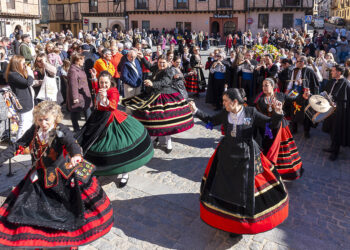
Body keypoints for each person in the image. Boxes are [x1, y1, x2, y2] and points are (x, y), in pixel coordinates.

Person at [0, 101, 113, 248]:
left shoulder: (59, 130)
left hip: (60, 177)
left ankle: (63, 242)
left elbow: (71, 142)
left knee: (62, 213)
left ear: (55, 117)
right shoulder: (35, 130)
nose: (43, 123)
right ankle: (40, 239)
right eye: (40, 119)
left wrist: (76, 155)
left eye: (47, 119)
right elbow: (18, 145)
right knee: (33, 210)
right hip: (38, 175)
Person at [188, 88, 288, 237]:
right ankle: (228, 221)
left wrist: (278, 113)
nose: (223, 104)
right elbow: (210, 120)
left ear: (235, 102)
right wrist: (195, 111)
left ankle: (241, 224)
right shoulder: (225, 113)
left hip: (246, 155)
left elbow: (270, 124)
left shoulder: (251, 113)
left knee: (243, 189)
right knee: (226, 187)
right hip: (226, 154)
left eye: (225, 101)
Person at [77, 70, 154, 187]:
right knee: (92, 142)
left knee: (119, 146)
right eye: (101, 82)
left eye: (105, 83)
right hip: (98, 118)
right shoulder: (100, 88)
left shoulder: (113, 91)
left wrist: (104, 98)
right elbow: (95, 89)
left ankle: (124, 173)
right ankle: (98, 167)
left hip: (111, 119)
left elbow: (113, 106)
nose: (103, 85)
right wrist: (93, 78)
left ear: (110, 82)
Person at [123, 54, 194, 153]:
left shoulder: (169, 71)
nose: (161, 64)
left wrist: (152, 84)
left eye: (163, 63)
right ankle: (153, 137)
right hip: (154, 95)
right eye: (160, 62)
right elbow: (150, 66)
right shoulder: (157, 67)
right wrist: (142, 57)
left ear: (168, 63)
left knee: (165, 121)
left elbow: (164, 82)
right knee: (153, 119)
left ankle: (168, 142)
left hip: (165, 97)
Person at [255, 78, 304, 180]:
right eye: (263, 85)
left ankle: (284, 173)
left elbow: (294, 97)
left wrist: (300, 90)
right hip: (267, 128)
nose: (264, 88)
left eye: (266, 85)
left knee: (282, 150)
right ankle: (268, 170)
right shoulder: (259, 100)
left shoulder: (281, 95)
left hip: (280, 128)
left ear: (273, 86)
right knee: (268, 149)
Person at [286, 56, 319, 138]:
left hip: (305, 93)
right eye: (296, 61)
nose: (296, 63)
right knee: (294, 109)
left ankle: (306, 131)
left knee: (305, 112)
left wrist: (304, 83)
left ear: (303, 62)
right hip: (295, 92)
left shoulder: (309, 71)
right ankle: (294, 128)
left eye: (297, 61)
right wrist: (288, 90)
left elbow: (315, 83)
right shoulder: (295, 70)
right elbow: (291, 81)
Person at [321, 65, 350, 161]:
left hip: (339, 112)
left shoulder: (346, 83)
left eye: (333, 71)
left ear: (339, 72)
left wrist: (337, 103)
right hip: (329, 109)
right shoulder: (332, 81)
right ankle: (332, 147)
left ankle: (335, 152)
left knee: (337, 131)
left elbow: (346, 100)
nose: (331, 72)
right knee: (331, 130)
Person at [5, 55, 34, 140]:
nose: (25, 65)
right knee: (23, 124)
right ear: (17, 64)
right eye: (23, 63)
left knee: (28, 123)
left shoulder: (17, 73)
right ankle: (18, 145)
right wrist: (30, 73)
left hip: (27, 101)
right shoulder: (12, 74)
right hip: (22, 102)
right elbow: (28, 83)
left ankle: (24, 144)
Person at [67, 53, 93, 132]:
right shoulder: (73, 71)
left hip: (84, 94)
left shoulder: (79, 68)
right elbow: (73, 85)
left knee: (87, 112)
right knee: (75, 112)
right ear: (77, 60)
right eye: (82, 59)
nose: (83, 61)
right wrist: (75, 97)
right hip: (78, 96)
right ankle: (77, 129)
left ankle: (88, 129)